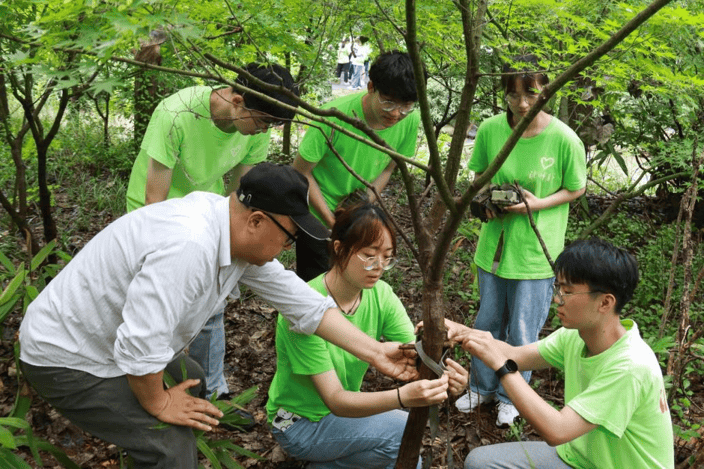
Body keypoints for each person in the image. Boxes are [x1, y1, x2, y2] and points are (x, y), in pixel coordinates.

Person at [20, 163, 418, 469]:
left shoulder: (230, 230)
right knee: (170, 441)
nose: (288, 246)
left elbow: (306, 305)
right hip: (67, 357)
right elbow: (140, 347)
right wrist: (159, 404)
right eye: (289, 236)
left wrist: (375, 353)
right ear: (257, 220)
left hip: (107, 342)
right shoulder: (189, 246)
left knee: (187, 373)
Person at [125, 63, 299, 401]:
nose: (263, 131)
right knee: (162, 309)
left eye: (271, 125)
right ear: (237, 100)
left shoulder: (252, 132)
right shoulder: (176, 114)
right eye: (262, 121)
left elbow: (244, 195)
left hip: (204, 217)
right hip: (155, 218)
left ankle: (212, 394)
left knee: (211, 306)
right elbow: (152, 198)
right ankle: (152, 389)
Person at [267, 202, 468, 468]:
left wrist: (445, 374)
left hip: (342, 418)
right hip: (300, 423)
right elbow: (336, 400)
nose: (379, 266)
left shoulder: (380, 294)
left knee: (397, 452)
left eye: (387, 256)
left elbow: (415, 355)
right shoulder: (303, 309)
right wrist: (402, 397)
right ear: (339, 249)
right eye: (369, 255)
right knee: (401, 432)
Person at [446, 238, 674, 469]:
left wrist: (502, 367)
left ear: (605, 302)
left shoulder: (630, 367)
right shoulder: (577, 335)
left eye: (568, 291)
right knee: (480, 463)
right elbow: (515, 355)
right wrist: (460, 331)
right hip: (580, 458)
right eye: (558, 288)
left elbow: (557, 430)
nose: (557, 299)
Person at [455, 55, 587, 426]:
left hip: (535, 250)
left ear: (545, 88)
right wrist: (486, 202)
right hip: (494, 246)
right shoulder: (492, 129)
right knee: (487, 320)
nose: (523, 102)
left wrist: (539, 203)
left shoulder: (564, 138)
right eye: (513, 94)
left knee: (524, 329)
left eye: (531, 92)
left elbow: (576, 188)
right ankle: (480, 387)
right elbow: (478, 176)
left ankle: (510, 395)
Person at [293, 50, 423, 282]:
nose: (395, 113)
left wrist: (363, 205)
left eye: (405, 106)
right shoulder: (335, 117)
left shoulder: (410, 120)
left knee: (354, 282)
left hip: (355, 212)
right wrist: (331, 222)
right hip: (316, 211)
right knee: (318, 285)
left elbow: (388, 168)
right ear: (371, 86)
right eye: (388, 102)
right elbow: (301, 172)